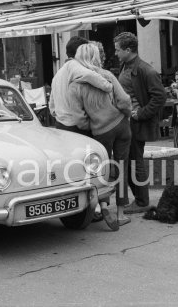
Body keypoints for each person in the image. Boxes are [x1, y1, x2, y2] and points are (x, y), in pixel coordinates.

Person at [72, 42, 133, 227]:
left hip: (100, 131)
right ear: (96, 57)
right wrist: (127, 115)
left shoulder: (76, 84)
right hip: (120, 124)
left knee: (101, 171)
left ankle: (103, 205)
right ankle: (121, 213)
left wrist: (93, 124)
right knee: (121, 167)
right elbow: (124, 100)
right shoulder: (107, 75)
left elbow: (79, 117)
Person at [115, 32, 166, 214]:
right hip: (127, 122)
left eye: (118, 50)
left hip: (136, 123)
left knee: (136, 162)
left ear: (128, 50)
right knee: (130, 162)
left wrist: (140, 114)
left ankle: (142, 201)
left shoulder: (146, 70)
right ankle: (140, 199)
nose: (115, 53)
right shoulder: (125, 66)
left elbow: (160, 97)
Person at [49, 36, 113, 136]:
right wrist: (108, 85)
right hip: (75, 126)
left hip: (60, 124)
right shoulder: (74, 65)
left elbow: (52, 107)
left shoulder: (59, 73)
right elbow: (89, 75)